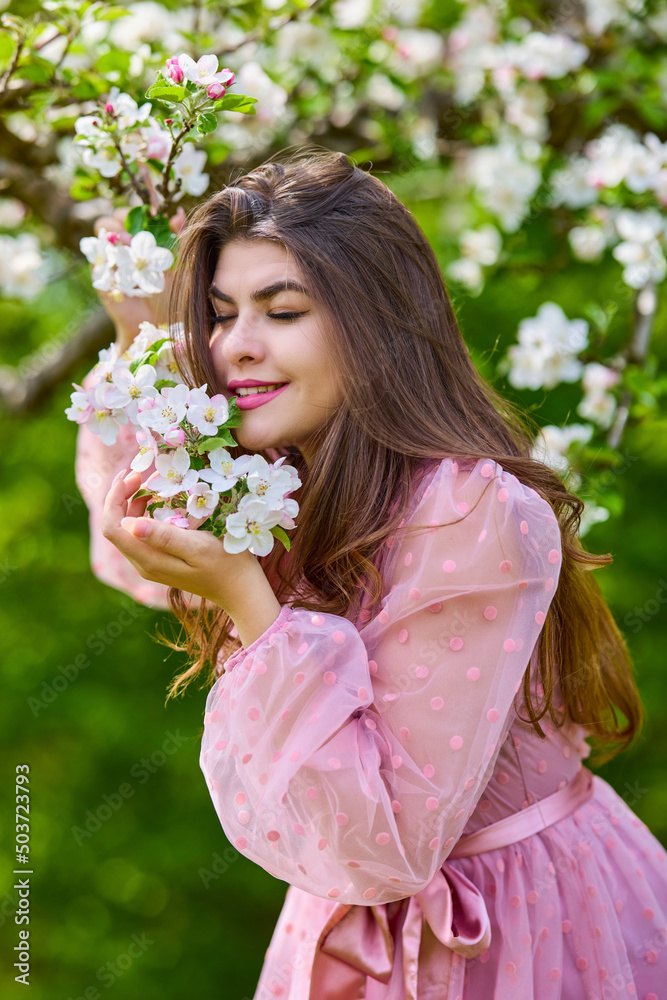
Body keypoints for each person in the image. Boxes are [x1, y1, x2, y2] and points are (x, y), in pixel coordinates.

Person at [74, 148, 667, 1000]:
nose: (237, 346)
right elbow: (139, 556)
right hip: (343, 925)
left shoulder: (473, 513)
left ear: (374, 320)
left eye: (282, 311)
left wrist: (250, 598)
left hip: (522, 924)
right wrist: (141, 337)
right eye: (218, 312)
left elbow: (388, 845)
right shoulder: (280, 477)